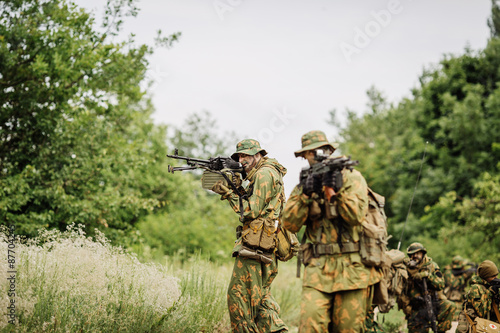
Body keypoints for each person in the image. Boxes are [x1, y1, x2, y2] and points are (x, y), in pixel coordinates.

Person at [281, 130, 382, 332]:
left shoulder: (351, 177)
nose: (317, 155)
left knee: (348, 329)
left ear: (330, 151)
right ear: (304, 156)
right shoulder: (306, 182)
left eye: (321, 150)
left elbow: (354, 217)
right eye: (311, 153)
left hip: (352, 269)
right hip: (317, 270)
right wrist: (306, 195)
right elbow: (289, 224)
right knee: (310, 327)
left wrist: (333, 192)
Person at [211, 138, 288, 332]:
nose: (242, 159)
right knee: (261, 302)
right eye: (240, 156)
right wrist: (236, 183)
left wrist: (228, 194)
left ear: (259, 154)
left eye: (246, 155)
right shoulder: (267, 173)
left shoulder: (263, 174)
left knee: (238, 299)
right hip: (264, 246)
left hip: (256, 248)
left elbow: (251, 211)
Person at [397, 242, 456, 333]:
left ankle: (440, 331)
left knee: (449, 305)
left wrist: (428, 276)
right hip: (416, 308)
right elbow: (401, 291)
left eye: (418, 253)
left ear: (423, 254)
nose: (415, 256)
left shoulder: (431, 266)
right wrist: (408, 309)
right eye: (412, 254)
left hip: (434, 303)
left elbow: (441, 285)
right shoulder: (405, 268)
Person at [459, 260, 500, 326]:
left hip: (490, 324)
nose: (496, 278)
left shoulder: (491, 286)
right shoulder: (475, 288)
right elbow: (482, 313)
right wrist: (490, 293)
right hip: (476, 325)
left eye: (496, 275)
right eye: (493, 276)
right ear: (485, 276)